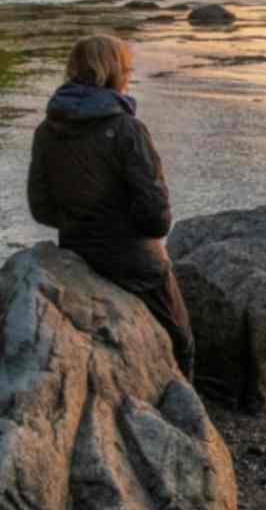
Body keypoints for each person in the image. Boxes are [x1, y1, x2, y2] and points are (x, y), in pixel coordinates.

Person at [27, 34, 195, 379]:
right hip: (135, 264)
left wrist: (81, 221)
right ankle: (183, 415)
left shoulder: (46, 129)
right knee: (181, 343)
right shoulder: (127, 129)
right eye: (128, 69)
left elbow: (40, 207)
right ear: (114, 72)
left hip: (76, 253)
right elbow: (156, 220)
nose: (129, 76)